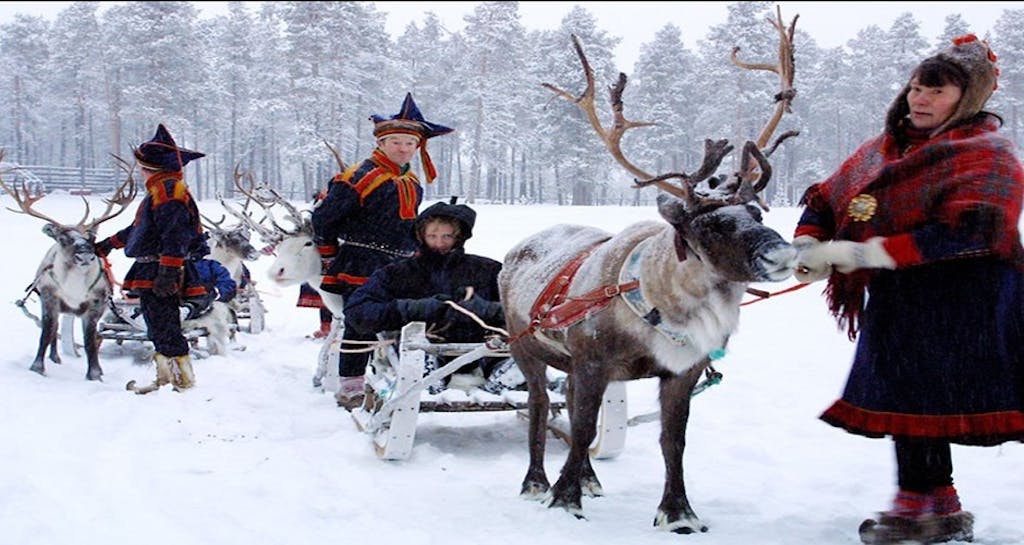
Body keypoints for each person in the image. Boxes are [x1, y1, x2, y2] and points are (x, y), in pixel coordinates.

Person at [792, 35, 1024, 545]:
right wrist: (809, 244)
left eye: (936, 92)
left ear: (967, 99)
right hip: (902, 302)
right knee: (908, 402)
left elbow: (977, 231)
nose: (920, 99)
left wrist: (864, 254)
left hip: (972, 302)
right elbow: (826, 199)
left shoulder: (988, 154)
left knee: (954, 399)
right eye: (917, 87)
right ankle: (928, 506)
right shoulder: (881, 150)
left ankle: (928, 507)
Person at [311, 93, 453, 408]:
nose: (403, 149)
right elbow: (323, 217)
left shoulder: (413, 180)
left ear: (418, 147)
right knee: (361, 323)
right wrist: (329, 254)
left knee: (411, 320)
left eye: (410, 144)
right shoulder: (359, 176)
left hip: (401, 262)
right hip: (361, 261)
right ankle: (351, 386)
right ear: (382, 142)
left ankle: (407, 376)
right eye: (397, 142)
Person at [342, 198, 514, 409]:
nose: (439, 243)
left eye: (447, 236)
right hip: (423, 350)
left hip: (484, 351)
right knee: (418, 355)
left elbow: (528, 311)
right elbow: (357, 311)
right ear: (421, 235)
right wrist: (412, 309)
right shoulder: (397, 273)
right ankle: (426, 383)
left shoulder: (487, 270)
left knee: (524, 350)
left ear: (459, 237)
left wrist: (488, 310)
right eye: (432, 236)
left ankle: (503, 381)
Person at [94, 124, 210, 393]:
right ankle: (167, 377)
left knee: (166, 325)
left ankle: (183, 382)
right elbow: (144, 229)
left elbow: (174, 235)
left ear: (152, 167)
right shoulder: (161, 189)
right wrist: (109, 244)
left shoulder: (168, 192)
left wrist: (168, 273)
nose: (139, 170)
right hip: (153, 266)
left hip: (161, 268)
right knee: (157, 324)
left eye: (142, 166)